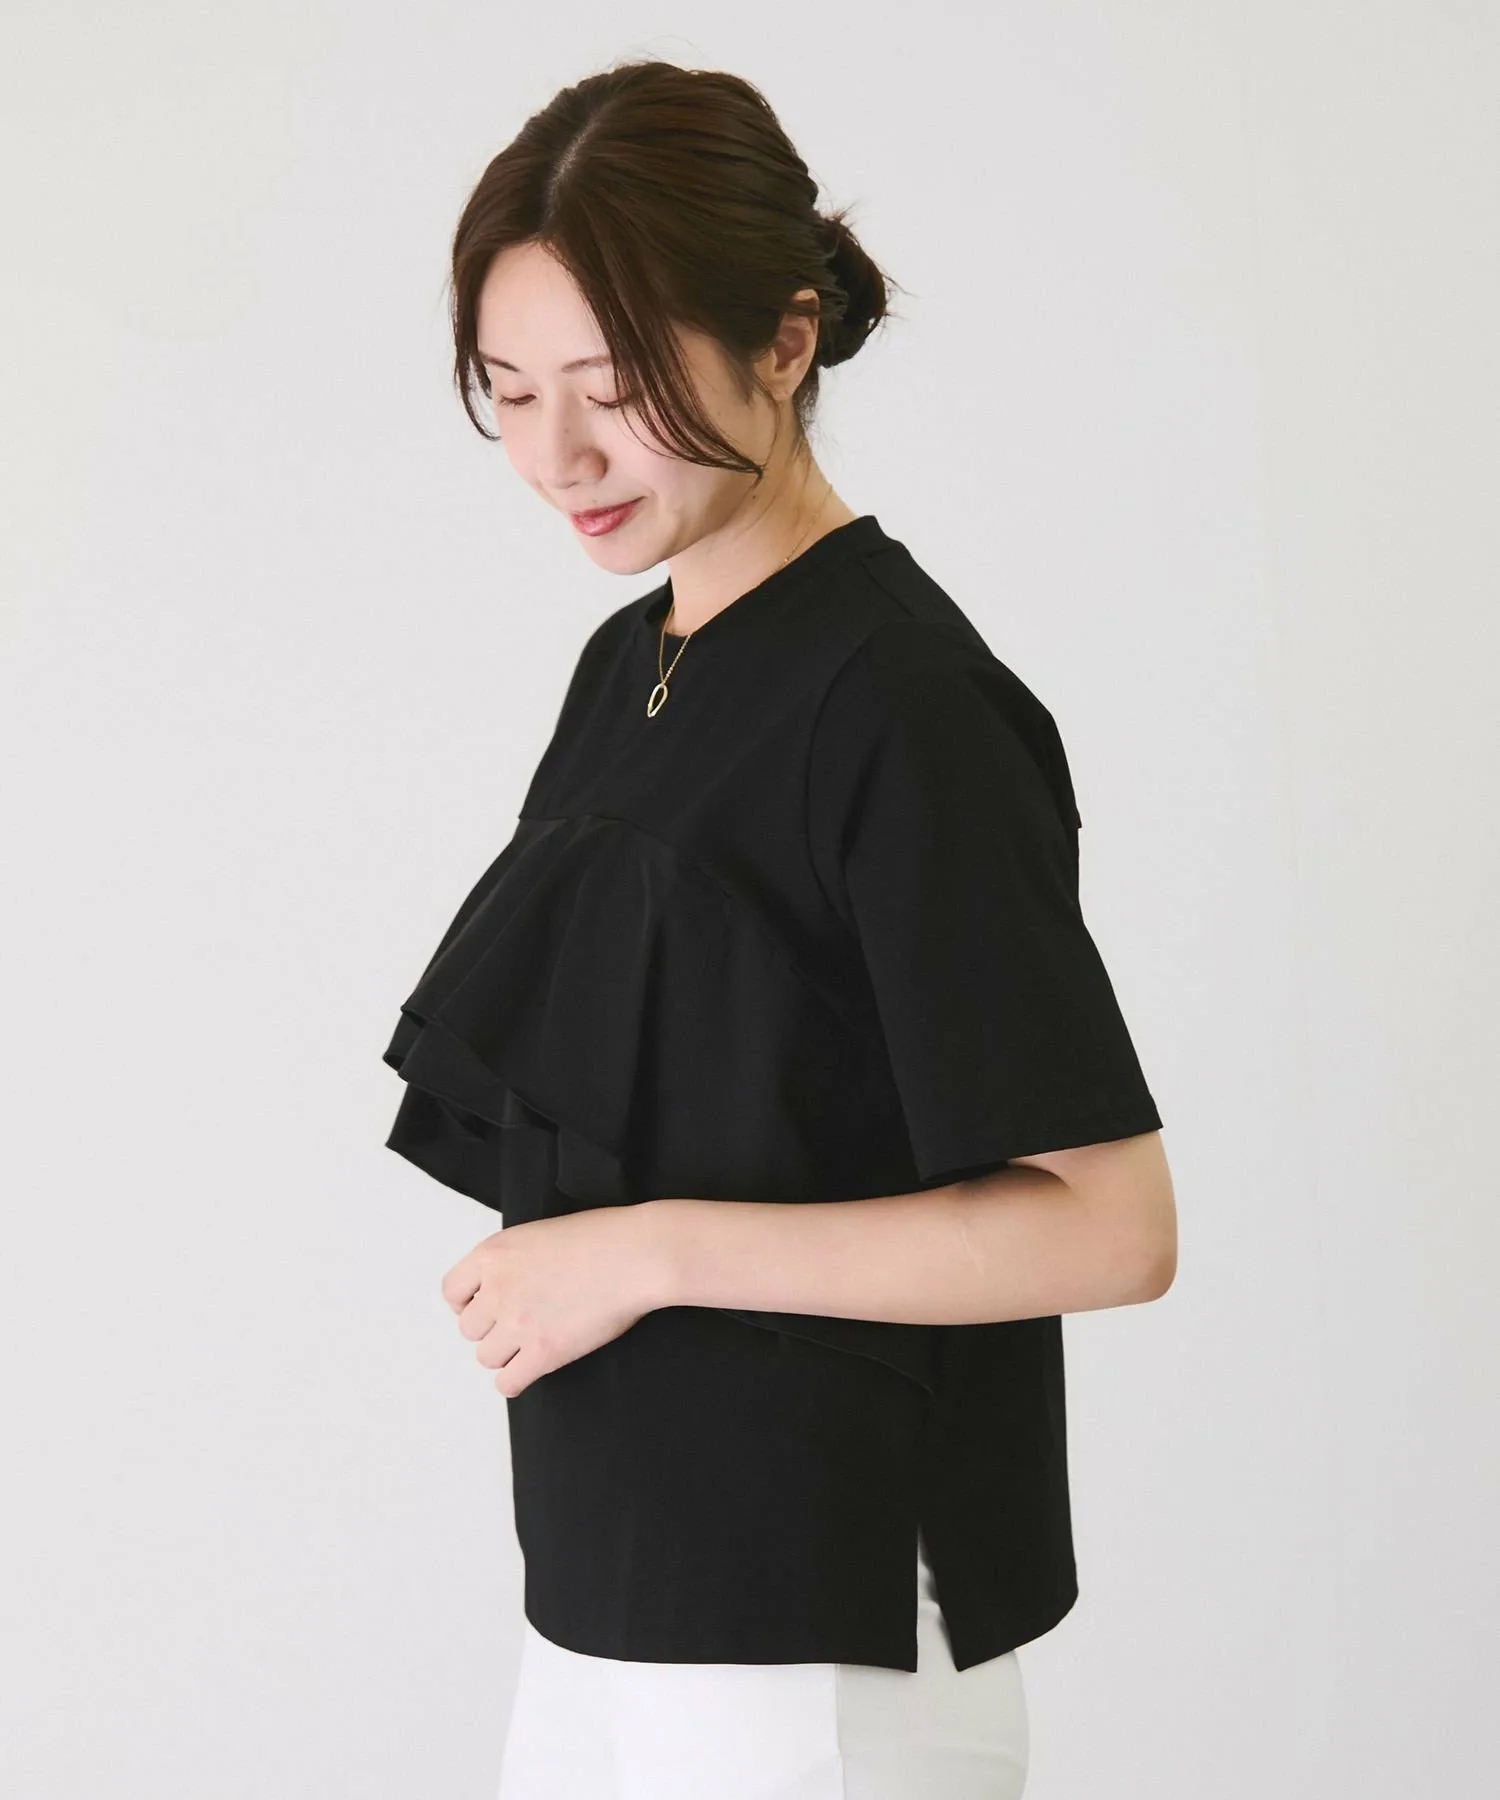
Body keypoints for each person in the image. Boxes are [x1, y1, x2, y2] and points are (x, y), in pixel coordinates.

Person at [381, 58, 1176, 1800]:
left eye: (615, 389)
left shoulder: (903, 703)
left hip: (820, 1633)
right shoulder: (633, 664)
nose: (560, 457)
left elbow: (1112, 1227)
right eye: (512, 393)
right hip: (608, 1599)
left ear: (787, 341)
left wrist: (647, 1252)